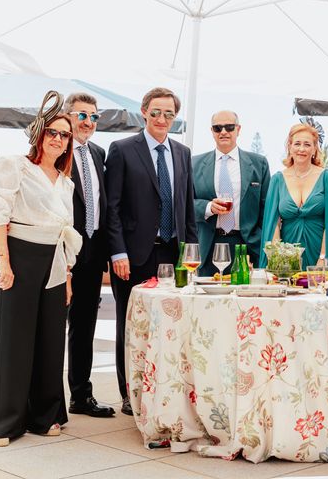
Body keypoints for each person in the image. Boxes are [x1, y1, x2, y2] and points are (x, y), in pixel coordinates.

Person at [0, 91, 82, 446]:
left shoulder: (66, 182)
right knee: (14, 340)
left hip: (55, 262)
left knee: (50, 340)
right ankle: (6, 420)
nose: (58, 139)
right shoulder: (15, 165)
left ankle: (45, 414)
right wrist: (3, 260)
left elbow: (66, 235)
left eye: (65, 135)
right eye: (53, 132)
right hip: (20, 255)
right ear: (39, 134)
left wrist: (68, 279)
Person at [106, 87, 198, 416]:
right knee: (130, 326)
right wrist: (117, 253)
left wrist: (191, 254)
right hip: (132, 257)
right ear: (144, 112)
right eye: (156, 112)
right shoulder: (121, 150)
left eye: (169, 114)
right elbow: (111, 208)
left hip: (172, 254)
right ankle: (130, 394)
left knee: (167, 326)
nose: (162, 119)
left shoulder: (182, 153)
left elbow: (186, 207)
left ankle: (162, 389)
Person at [64, 93, 115, 418]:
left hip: (93, 251)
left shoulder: (98, 153)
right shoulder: (55, 149)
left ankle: (80, 395)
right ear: (68, 116)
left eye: (94, 117)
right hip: (61, 251)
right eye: (82, 115)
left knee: (84, 326)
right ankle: (40, 398)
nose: (88, 122)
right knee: (51, 325)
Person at [192, 110, 270, 276]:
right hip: (208, 245)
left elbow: (266, 208)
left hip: (246, 245)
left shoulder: (258, 163)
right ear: (211, 131)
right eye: (218, 128)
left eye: (229, 127)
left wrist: (260, 240)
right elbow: (184, 204)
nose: (224, 132)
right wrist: (207, 207)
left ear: (238, 129)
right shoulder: (194, 163)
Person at [260, 123, 328, 267]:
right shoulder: (278, 179)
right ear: (290, 147)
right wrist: (278, 259)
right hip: (287, 256)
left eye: (307, 144)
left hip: (319, 251)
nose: (302, 149)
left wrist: (323, 258)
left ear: (314, 149)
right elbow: (272, 224)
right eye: (297, 144)